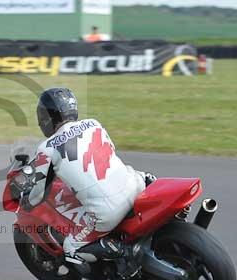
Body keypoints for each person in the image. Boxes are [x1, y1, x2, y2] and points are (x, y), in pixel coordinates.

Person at [18, 87, 155, 266]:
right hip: (137, 185)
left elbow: (38, 194)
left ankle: (121, 251)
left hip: (107, 213)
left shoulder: (47, 148)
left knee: (70, 248)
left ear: (47, 117)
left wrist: (26, 201)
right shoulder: (94, 123)